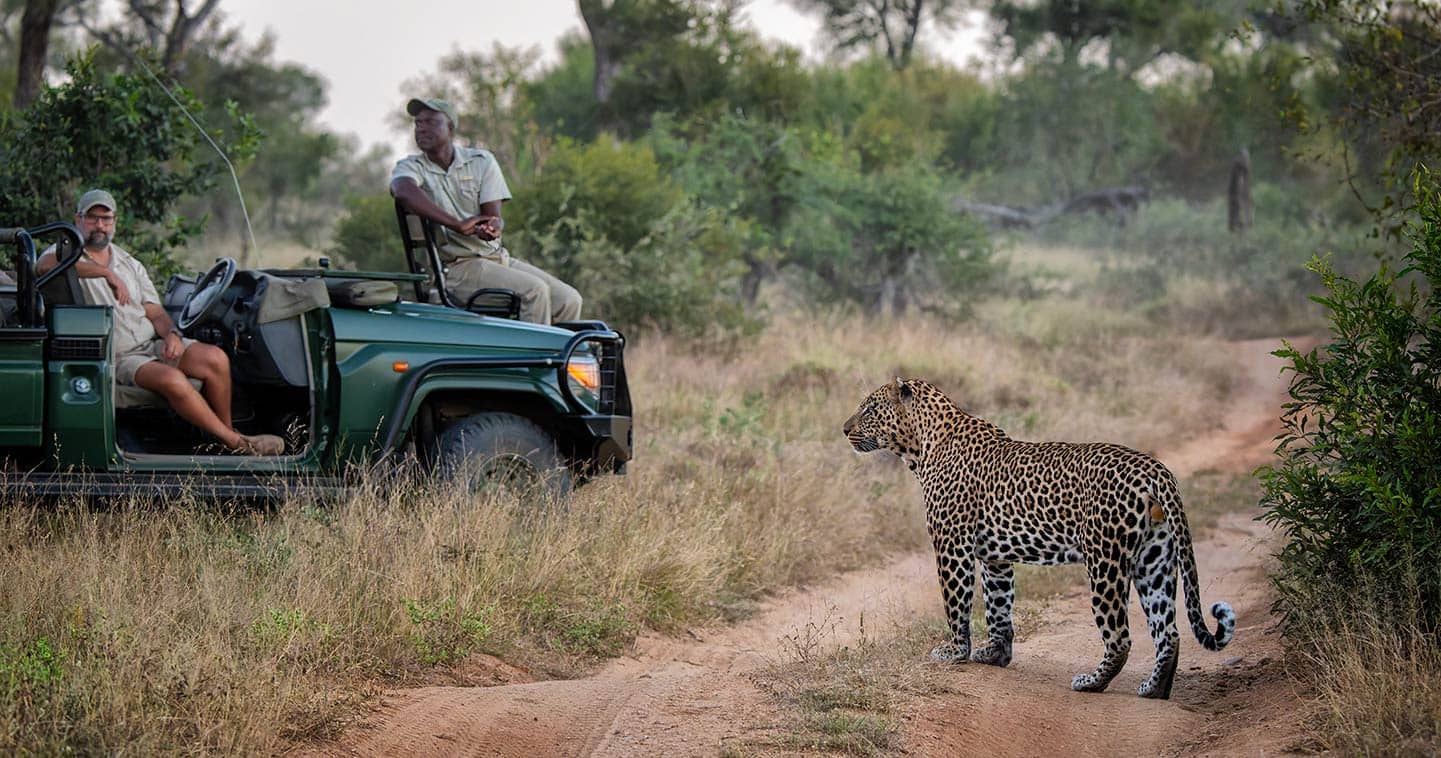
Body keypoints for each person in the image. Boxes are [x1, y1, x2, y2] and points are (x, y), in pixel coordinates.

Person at [37, 189, 284, 456]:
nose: (100, 226)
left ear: (115, 222)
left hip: (149, 344)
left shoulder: (129, 263)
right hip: (117, 356)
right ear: (78, 219)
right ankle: (238, 443)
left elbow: (155, 313)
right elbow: (43, 267)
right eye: (93, 218)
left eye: (106, 219)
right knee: (174, 380)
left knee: (216, 358)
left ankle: (225, 439)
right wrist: (104, 273)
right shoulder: (66, 254)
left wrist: (172, 336)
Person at [389, 97, 581, 324]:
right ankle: (530, 360)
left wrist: (493, 227)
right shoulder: (411, 166)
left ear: (450, 128)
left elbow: (493, 218)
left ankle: (563, 359)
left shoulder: (481, 161)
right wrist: (457, 225)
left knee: (569, 300)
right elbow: (402, 189)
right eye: (418, 123)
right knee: (535, 292)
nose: (421, 128)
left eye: (430, 122)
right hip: (457, 268)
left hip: (497, 258)